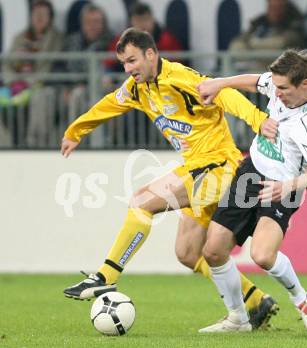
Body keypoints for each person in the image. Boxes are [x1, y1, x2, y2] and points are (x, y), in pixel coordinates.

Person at [61, 28, 279, 329]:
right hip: (198, 169)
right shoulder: (137, 89)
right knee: (188, 253)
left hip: (218, 165)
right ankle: (256, 302)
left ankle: (105, 276)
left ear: (152, 54)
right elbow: (110, 104)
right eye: (124, 63)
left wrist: (258, 119)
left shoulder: (180, 78)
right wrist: (76, 131)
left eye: (133, 60)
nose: (128, 69)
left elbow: (225, 93)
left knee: (141, 201)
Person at [195, 49, 307, 333]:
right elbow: (255, 81)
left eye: (283, 88)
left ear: (304, 85)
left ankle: (301, 299)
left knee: (263, 256)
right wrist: (219, 83)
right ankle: (237, 318)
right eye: (275, 86)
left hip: (285, 185)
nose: (276, 93)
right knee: (213, 250)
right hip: (252, 171)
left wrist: (287, 186)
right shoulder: (281, 83)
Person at [2, 0, 64, 147]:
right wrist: (12, 81)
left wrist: (29, 83)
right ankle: (5, 148)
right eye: (36, 14)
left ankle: (33, 146)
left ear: (50, 18)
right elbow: (7, 64)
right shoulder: (20, 38)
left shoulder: (57, 39)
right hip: (15, 87)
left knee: (40, 98)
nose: (39, 18)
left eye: (43, 15)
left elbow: (51, 65)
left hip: (39, 86)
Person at [229, 0, 306, 70]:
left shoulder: (293, 24)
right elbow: (237, 44)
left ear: (285, 8)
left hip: (282, 71)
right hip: (254, 69)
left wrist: (254, 45)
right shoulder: (259, 22)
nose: (275, 12)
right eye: (271, 8)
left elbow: (282, 43)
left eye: (278, 8)